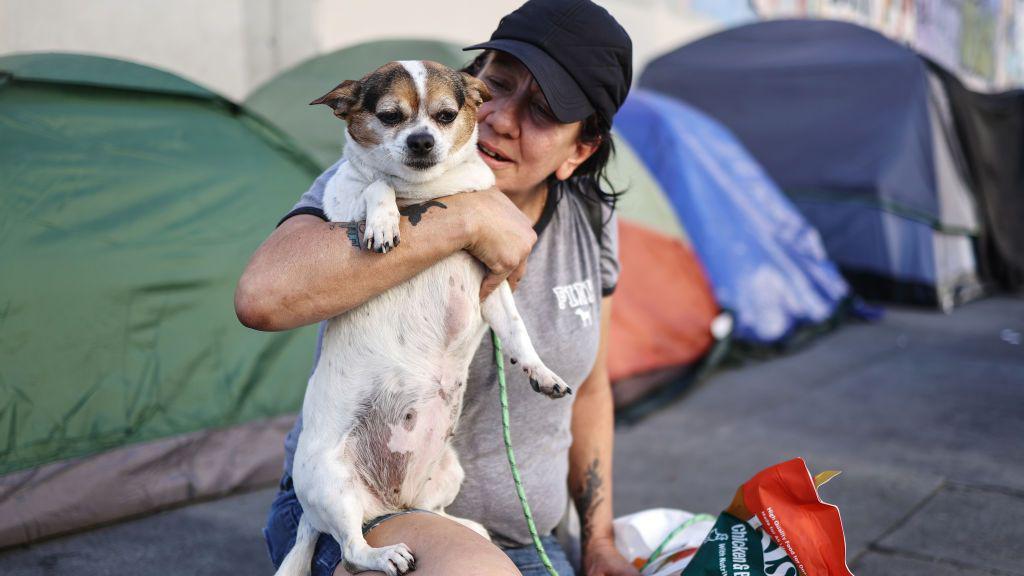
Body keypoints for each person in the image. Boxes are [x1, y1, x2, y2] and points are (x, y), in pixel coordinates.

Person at [235, 1, 638, 574]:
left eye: (544, 111)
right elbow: (261, 298)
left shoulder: (590, 218)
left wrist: (598, 542)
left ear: (580, 150)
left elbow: (591, 389)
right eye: (498, 85)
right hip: (360, 507)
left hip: (523, 541)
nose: (502, 118)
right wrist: (468, 217)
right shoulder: (381, 173)